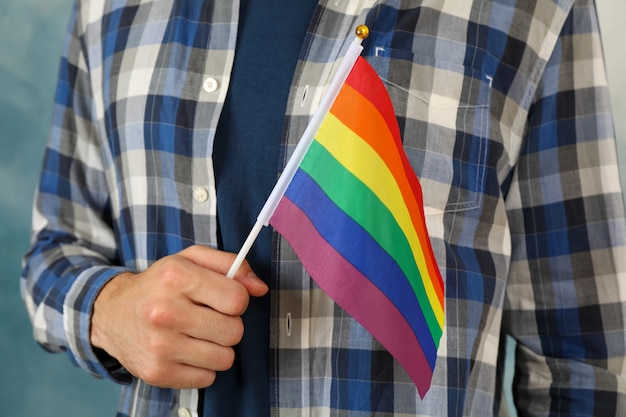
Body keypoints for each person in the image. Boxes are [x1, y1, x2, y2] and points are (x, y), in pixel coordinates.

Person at [21, 0, 626, 416]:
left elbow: (588, 363)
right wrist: (108, 308)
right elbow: (53, 253)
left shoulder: (538, 9)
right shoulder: (109, 9)